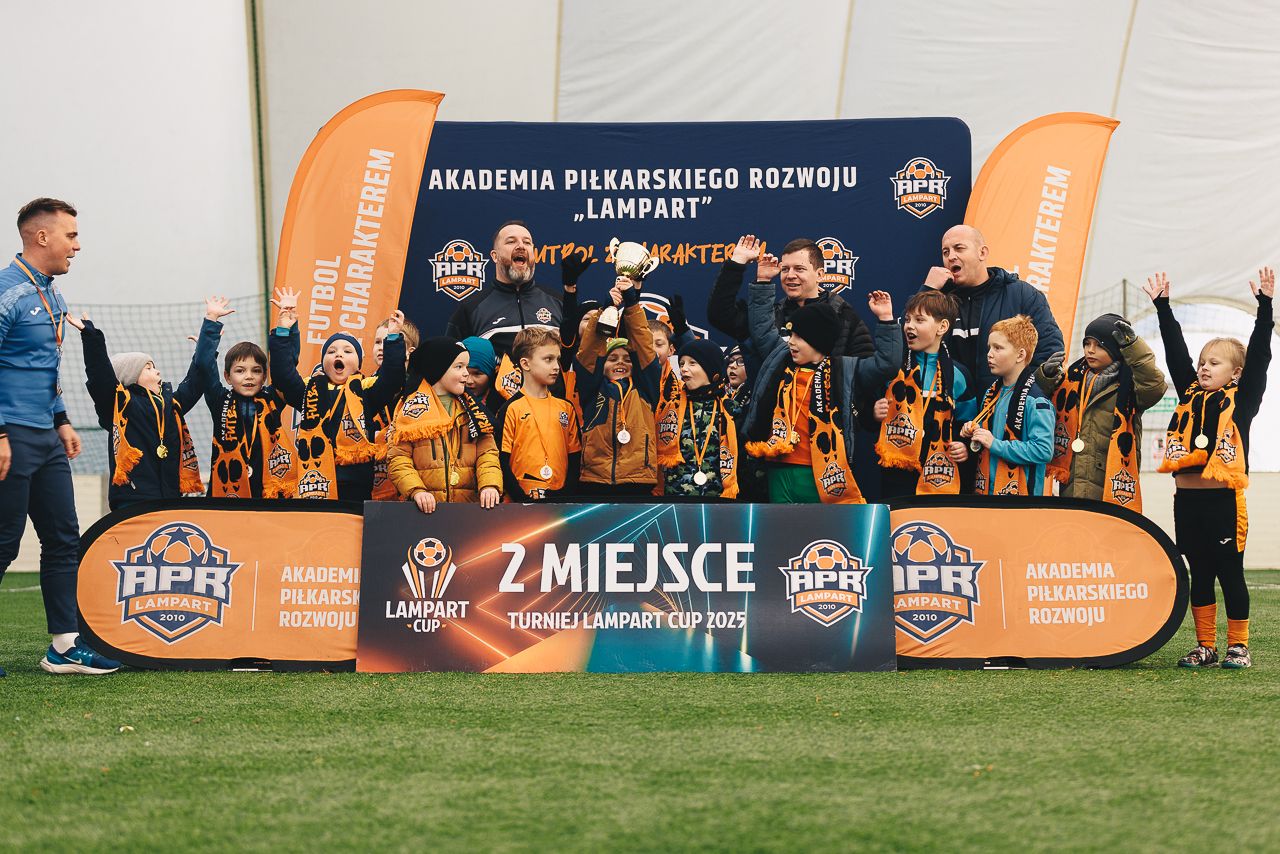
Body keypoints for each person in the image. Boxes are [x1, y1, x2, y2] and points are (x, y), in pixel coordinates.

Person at [0, 197, 117, 676]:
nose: (77, 245)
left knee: (64, 538)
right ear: (41, 236)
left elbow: (44, 369)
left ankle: (64, 647)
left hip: (46, 437)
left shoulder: (55, 296)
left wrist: (62, 419)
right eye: (71, 235)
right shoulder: (7, 291)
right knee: (4, 543)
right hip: (10, 436)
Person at [1148, 269, 1272, 669]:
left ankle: (1239, 647)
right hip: (1187, 503)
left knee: (1229, 574)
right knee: (1198, 575)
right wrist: (1163, 308)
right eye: (1203, 362)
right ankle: (1206, 646)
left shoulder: (1244, 399)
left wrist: (1265, 308)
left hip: (1223, 504)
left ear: (1235, 373)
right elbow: (1175, 353)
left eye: (1214, 363)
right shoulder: (1189, 392)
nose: (1203, 368)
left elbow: (1261, 356)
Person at [742, 276, 901, 504]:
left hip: (823, 470)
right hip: (778, 467)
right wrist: (763, 282)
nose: (791, 342)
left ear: (818, 341)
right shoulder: (780, 359)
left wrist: (886, 319)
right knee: (781, 526)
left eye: (799, 337)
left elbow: (886, 364)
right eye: (791, 335)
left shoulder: (844, 369)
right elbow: (762, 329)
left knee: (819, 526)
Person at [73, 299, 223, 509]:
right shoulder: (120, 405)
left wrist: (209, 334)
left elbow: (195, 381)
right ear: (131, 376)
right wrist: (91, 338)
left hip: (170, 498)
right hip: (133, 502)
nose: (157, 371)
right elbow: (100, 375)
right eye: (149, 368)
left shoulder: (170, 405)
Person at [268, 289, 406, 501]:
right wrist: (283, 331)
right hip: (314, 483)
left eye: (347, 351)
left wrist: (394, 339)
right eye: (331, 351)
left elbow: (393, 379)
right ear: (323, 362)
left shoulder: (367, 389)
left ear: (358, 364)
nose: (338, 354)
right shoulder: (309, 389)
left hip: (356, 485)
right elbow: (283, 376)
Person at [1037, 313, 1167, 509]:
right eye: (1087, 343)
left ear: (1115, 348)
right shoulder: (1072, 379)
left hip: (1111, 489)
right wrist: (1045, 377)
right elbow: (1041, 400)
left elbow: (1154, 386)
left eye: (1099, 345)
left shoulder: (1130, 386)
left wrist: (1134, 348)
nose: (1090, 350)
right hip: (1071, 486)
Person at [922, 225, 1064, 393]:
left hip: (1005, 406)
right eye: (945, 252)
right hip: (951, 407)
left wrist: (1016, 397)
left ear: (982, 253)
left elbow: (1048, 351)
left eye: (959, 248)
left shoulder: (1023, 295)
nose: (951, 256)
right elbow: (909, 344)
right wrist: (927, 290)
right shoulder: (938, 300)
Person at [873, 291, 975, 497]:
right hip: (896, 473)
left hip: (939, 475)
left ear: (942, 327)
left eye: (919, 320)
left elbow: (968, 424)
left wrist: (965, 446)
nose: (909, 326)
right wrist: (874, 413)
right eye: (907, 320)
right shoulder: (893, 369)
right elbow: (866, 414)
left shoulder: (959, 374)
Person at [709, 235, 873, 358]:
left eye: (799, 269)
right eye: (785, 269)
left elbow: (862, 371)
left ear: (820, 274)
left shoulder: (844, 315)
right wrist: (737, 262)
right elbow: (719, 315)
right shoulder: (769, 316)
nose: (790, 275)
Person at [387, 337, 502, 512]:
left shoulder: (474, 410)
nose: (466, 373)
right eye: (459, 367)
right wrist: (416, 491)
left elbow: (487, 453)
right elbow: (398, 458)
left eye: (466, 366)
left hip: (467, 511)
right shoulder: (408, 408)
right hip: (422, 513)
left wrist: (490, 485)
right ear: (438, 369)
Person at [575, 275, 661, 497]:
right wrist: (605, 312)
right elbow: (589, 353)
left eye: (626, 359)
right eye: (612, 358)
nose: (620, 363)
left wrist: (632, 305)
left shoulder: (645, 389)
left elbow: (643, 346)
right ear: (602, 365)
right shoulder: (592, 389)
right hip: (595, 479)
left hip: (638, 479)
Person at [203, 315, 301, 499]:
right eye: (240, 371)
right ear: (227, 377)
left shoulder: (273, 398)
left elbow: (286, 368)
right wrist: (210, 328)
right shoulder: (220, 399)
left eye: (256, 371)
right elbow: (205, 368)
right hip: (227, 493)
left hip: (268, 493)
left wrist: (285, 330)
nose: (249, 376)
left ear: (264, 377)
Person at [959, 315, 1054, 496]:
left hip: (1020, 501)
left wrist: (995, 444)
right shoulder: (992, 393)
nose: (989, 354)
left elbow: (1043, 451)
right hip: (985, 493)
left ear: (1020, 355)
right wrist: (974, 430)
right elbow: (989, 438)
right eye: (989, 347)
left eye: (998, 348)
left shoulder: (1036, 401)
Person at [445, 221, 564, 361]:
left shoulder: (558, 302)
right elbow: (451, 363)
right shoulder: (471, 308)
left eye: (527, 242)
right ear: (495, 256)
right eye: (511, 241)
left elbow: (576, 357)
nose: (521, 246)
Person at [495, 327, 581, 500]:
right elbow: (501, 461)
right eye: (548, 359)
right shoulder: (510, 409)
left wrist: (564, 496)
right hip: (518, 504)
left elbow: (575, 459)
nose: (556, 367)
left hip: (559, 505)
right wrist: (521, 499)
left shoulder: (566, 408)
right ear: (525, 364)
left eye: (557, 359)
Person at [656, 339, 738, 499]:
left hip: (717, 500)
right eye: (681, 363)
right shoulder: (672, 406)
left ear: (711, 369)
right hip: (675, 498)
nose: (683, 368)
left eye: (692, 363)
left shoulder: (731, 409)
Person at [368, 315, 420, 501]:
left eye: (389, 340)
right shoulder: (363, 385)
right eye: (378, 342)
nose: (382, 347)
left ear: (410, 352)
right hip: (374, 478)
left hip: (411, 479)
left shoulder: (420, 389)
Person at [461, 336, 501, 412]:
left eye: (477, 373)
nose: (469, 381)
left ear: (490, 374)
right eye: (464, 372)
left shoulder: (503, 407)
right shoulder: (445, 401)